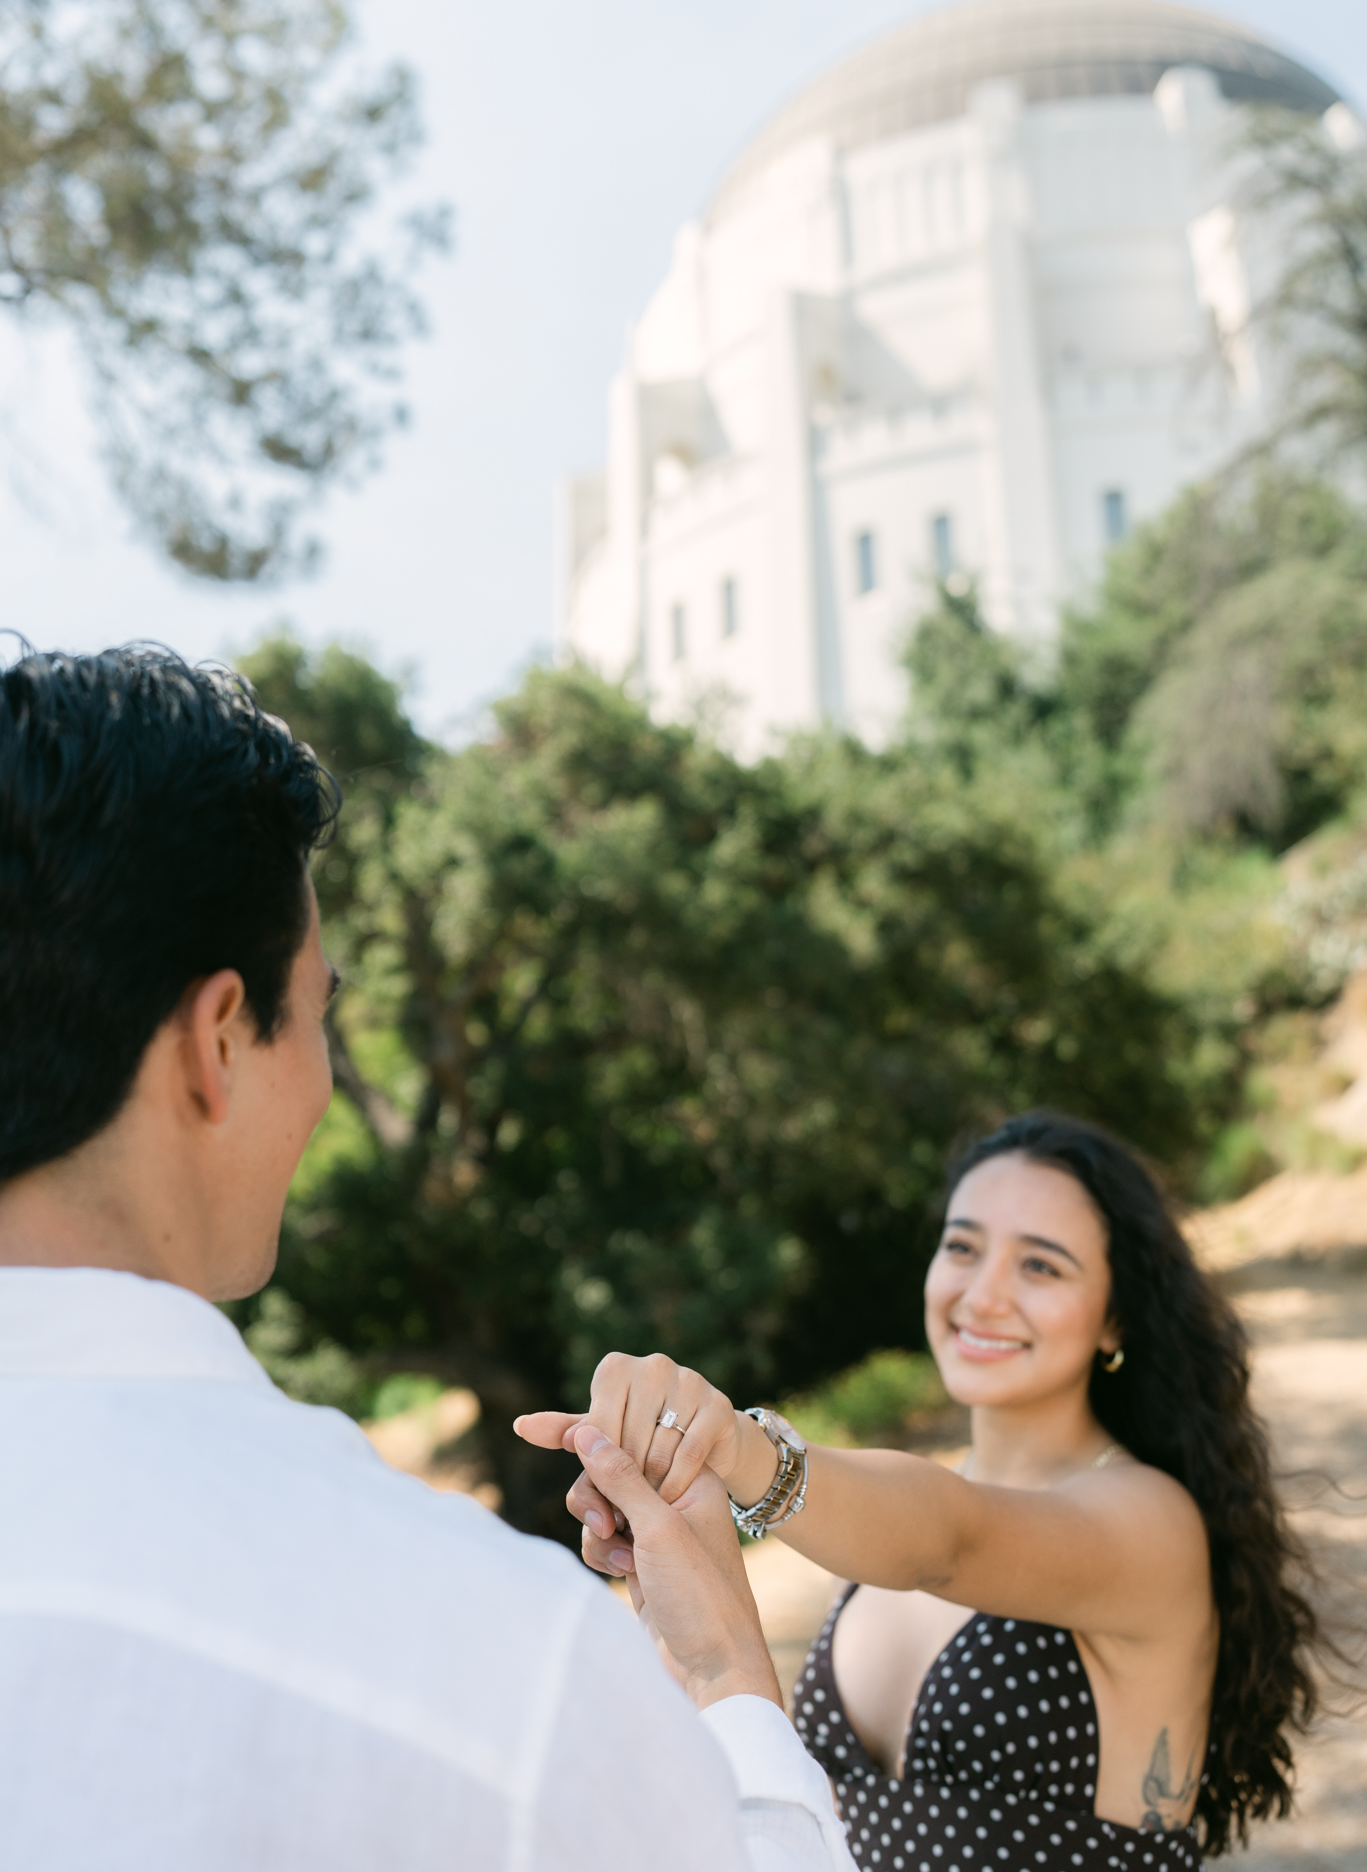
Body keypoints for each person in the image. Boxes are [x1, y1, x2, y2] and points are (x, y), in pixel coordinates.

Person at [0, 643, 853, 1871]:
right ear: (218, 1044)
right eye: (322, 1016)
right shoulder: (490, 1659)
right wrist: (725, 1672)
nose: (328, 1092)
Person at [517, 1113, 1322, 1868]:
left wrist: (736, 1445)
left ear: (1117, 1318)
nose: (983, 1294)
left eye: (1040, 1264)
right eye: (962, 1248)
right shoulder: (875, 1529)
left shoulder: (1150, 1521)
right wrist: (675, 1570)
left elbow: (949, 1539)